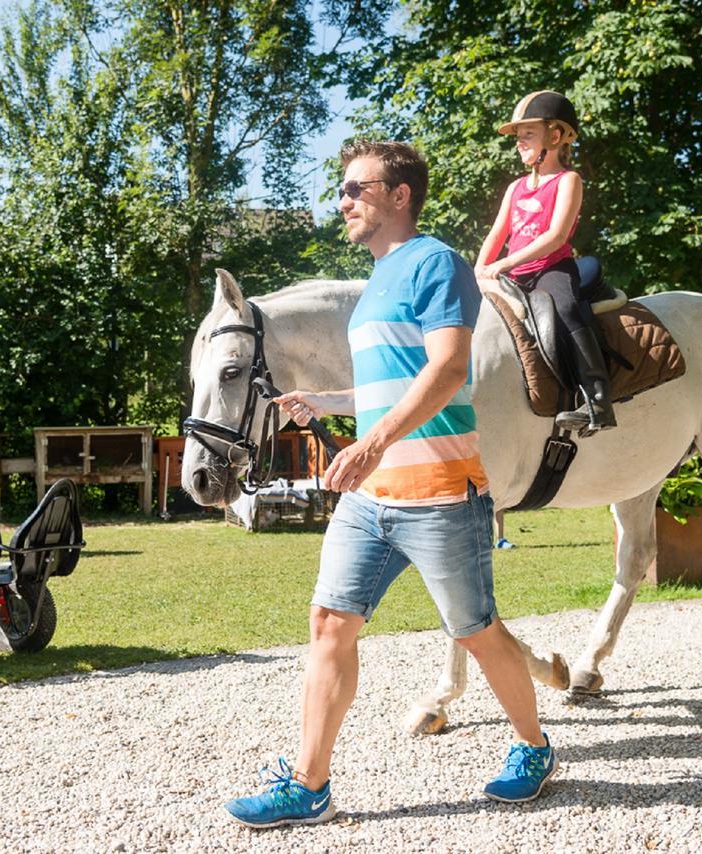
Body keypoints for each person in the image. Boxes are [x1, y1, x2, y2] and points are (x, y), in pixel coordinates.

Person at [223, 140, 558, 830]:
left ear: (398, 196)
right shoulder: (375, 282)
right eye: (342, 189)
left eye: (355, 188)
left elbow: (446, 371)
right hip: (372, 501)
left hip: (441, 492)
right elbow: (393, 385)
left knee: (476, 631)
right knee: (329, 624)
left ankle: (533, 745)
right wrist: (333, 402)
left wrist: (371, 442)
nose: (342, 201)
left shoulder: (436, 263)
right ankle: (310, 784)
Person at [474, 90, 615, 434]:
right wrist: (479, 267)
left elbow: (555, 236)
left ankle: (597, 401)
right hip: (512, 274)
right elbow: (497, 234)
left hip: (551, 269)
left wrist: (504, 264)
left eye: (528, 135)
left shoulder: (569, 181)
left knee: (566, 311)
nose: (519, 143)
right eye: (519, 137)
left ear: (554, 136)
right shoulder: (516, 187)